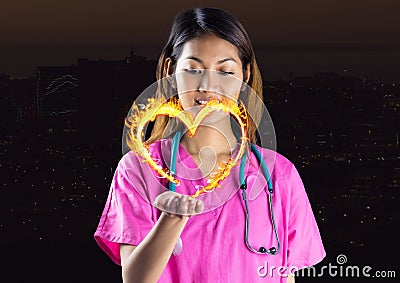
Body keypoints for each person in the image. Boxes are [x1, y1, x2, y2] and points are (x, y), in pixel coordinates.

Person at [94, 7, 326, 283]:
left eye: (225, 71)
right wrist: (171, 220)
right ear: (171, 71)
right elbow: (134, 279)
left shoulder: (279, 175)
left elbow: (286, 277)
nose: (208, 85)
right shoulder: (138, 169)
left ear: (246, 75)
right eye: (193, 69)